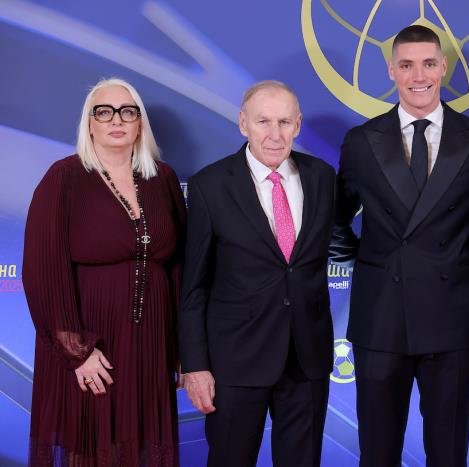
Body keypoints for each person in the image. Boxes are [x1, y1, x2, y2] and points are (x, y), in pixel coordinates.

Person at [330, 25, 469, 466]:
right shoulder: (361, 142)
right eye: (406, 65)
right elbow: (333, 222)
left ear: (443, 67)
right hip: (380, 318)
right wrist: (372, 261)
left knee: (448, 453)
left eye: (428, 64)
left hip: (453, 320)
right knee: (378, 453)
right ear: (391, 70)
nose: (418, 76)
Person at [23, 78, 186, 466]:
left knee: (142, 446)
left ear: (140, 124)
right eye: (104, 112)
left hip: (151, 345)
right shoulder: (64, 178)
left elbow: (180, 264)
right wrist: (77, 352)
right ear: (90, 123)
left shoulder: (162, 178)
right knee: (93, 447)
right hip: (93, 346)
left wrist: (182, 347)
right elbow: (42, 271)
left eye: (128, 112)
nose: (116, 120)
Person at [178, 80, 335, 467]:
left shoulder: (322, 177)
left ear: (298, 125)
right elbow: (193, 286)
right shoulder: (210, 185)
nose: (275, 134)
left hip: (307, 360)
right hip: (235, 361)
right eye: (263, 121)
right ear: (243, 123)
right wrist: (195, 365)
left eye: (284, 122)